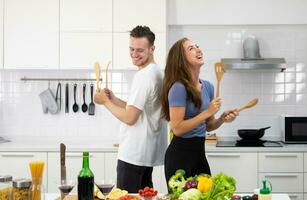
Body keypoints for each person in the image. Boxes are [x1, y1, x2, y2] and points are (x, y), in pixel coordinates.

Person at [94, 25, 168, 193]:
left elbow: (130, 117)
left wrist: (105, 102)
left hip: (133, 155)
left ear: (152, 49)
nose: (134, 54)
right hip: (145, 155)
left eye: (140, 50)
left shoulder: (144, 76)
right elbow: (140, 109)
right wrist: (113, 98)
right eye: (131, 49)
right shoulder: (157, 72)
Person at [161, 37, 238, 185]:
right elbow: (177, 129)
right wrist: (207, 112)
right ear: (181, 59)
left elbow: (209, 125)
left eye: (197, 46)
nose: (198, 49)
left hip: (199, 153)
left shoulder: (208, 86)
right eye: (191, 48)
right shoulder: (178, 88)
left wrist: (222, 118)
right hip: (179, 156)